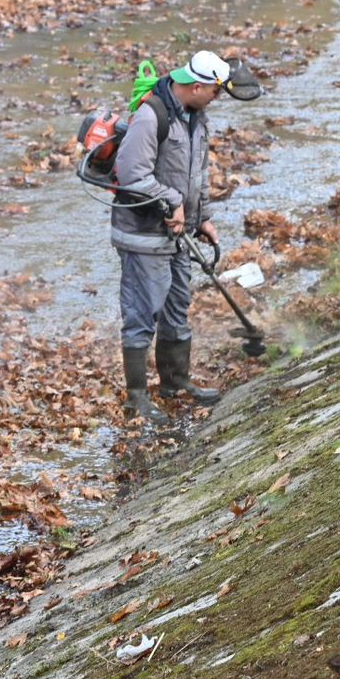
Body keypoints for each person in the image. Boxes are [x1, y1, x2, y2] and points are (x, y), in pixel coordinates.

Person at [110, 50, 232, 423]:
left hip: (179, 233)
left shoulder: (197, 118)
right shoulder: (151, 117)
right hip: (143, 235)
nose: (218, 98)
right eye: (215, 91)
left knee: (177, 308)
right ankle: (136, 398)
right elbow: (132, 176)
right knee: (142, 313)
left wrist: (203, 217)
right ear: (197, 86)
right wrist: (173, 201)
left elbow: (197, 172)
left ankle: (175, 383)